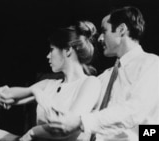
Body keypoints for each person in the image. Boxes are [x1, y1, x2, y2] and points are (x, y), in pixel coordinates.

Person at [45, 6, 159, 141]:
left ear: (121, 30)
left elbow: (135, 110)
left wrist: (81, 122)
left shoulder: (152, 64)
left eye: (104, 31)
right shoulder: (104, 77)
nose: (100, 38)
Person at [0, 21, 101, 141]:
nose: (48, 56)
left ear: (68, 50)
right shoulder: (49, 84)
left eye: (52, 49)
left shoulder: (90, 83)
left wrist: (33, 132)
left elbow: (68, 127)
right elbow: (5, 96)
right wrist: (34, 91)